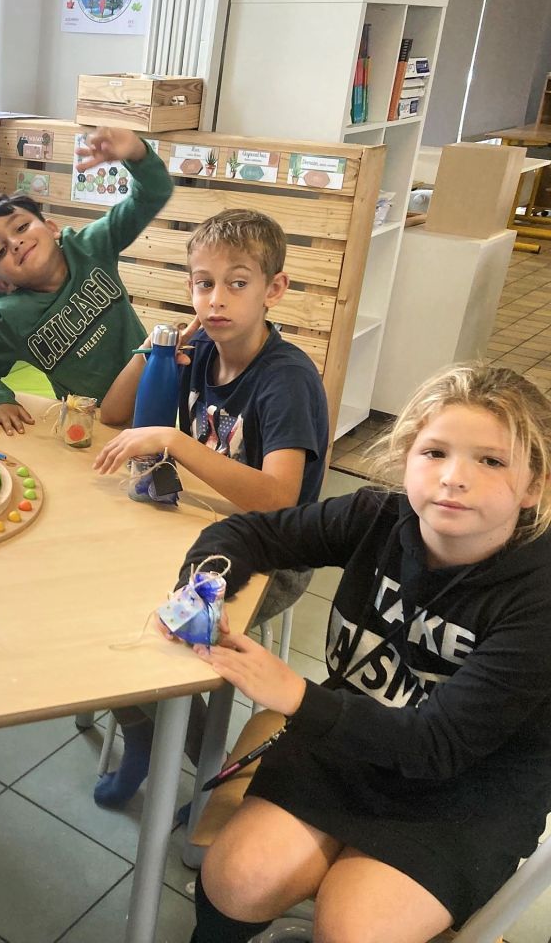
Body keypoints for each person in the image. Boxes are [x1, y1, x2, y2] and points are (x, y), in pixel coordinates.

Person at [178, 362, 551, 943]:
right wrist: (204, 586)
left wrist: (295, 694)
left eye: (492, 461)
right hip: (352, 741)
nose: (454, 478)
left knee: (356, 930)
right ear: (406, 458)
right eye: (434, 452)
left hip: (472, 790)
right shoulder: (376, 516)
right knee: (237, 878)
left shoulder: (538, 596)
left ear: (534, 486)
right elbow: (251, 534)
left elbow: (437, 746)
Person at [90, 209, 330, 809]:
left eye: (237, 283)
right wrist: (155, 349)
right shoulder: (199, 349)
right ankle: (144, 731)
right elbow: (113, 415)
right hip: (206, 529)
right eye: (204, 283)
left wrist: (176, 442)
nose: (216, 299)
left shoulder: (287, 379)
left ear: (274, 289)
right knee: (95, 602)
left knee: (159, 627)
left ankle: (208, 774)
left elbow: (278, 498)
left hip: (273, 558)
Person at [0, 126, 174, 435]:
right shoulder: (11, 317)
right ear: (2, 283)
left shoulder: (92, 246)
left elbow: (154, 193)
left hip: (158, 401)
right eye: (1, 251)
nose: (16, 243)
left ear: (52, 228)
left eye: (21, 227)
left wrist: (137, 153)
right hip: (91, 426)